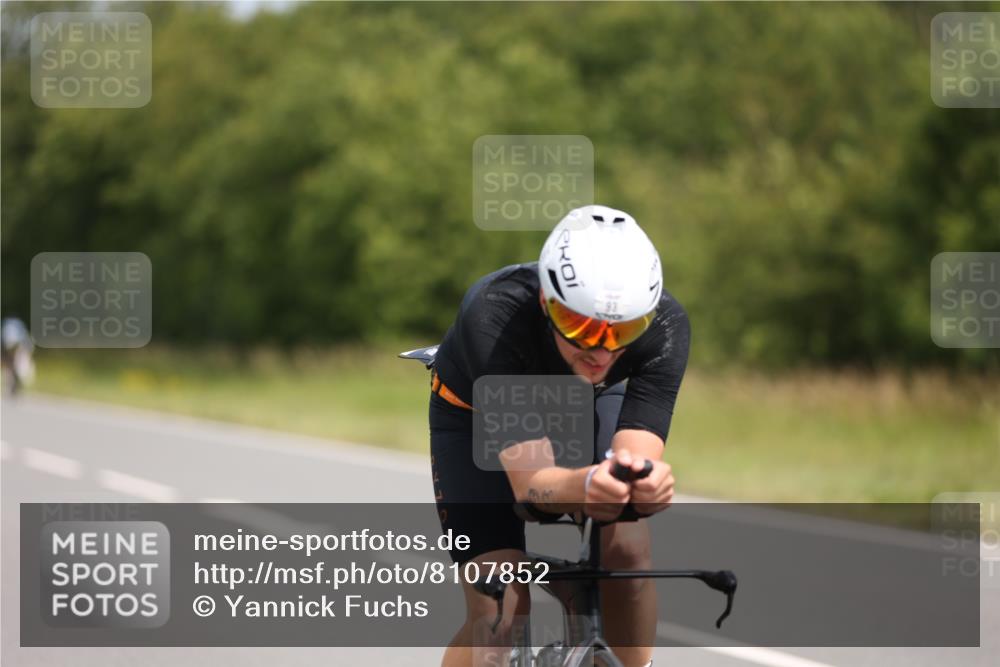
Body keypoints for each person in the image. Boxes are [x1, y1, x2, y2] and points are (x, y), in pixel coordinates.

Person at [429, 205, 690, 667]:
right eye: (580, 326)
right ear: (548, 303)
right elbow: (532, 486)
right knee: (501, 614)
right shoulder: (494, 312)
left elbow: (634, 461)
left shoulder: (664, 327)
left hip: (585, 403)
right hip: (475, 415)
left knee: (628, 548)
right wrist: (589, 485)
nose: (601, 349)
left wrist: (643, 485)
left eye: (623, 330)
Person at [1, 316, 35, 396]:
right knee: (9, 367)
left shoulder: (12, 332)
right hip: (13, 345)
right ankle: (12, 385)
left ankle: (16, 384)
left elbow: (26, 347)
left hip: (20, 347)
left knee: (19, 367)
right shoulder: (9, 331)